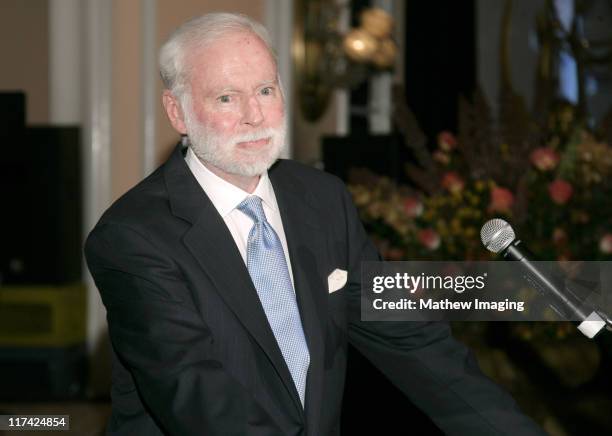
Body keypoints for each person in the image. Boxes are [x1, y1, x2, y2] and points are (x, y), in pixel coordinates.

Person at [85, 12, 545, 436]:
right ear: (177, 112)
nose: (255, 115)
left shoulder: (323, 201)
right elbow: (201, 401)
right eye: (227, 97)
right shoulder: (133, 237)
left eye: (266, 90)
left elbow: (417, 345)